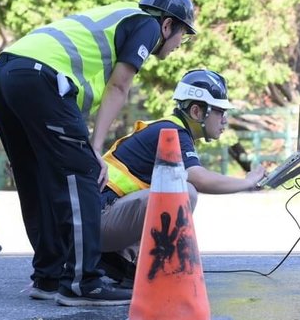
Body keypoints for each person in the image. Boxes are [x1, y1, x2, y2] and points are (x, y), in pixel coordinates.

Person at [0, 0, 196, 306]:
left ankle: (49, 276)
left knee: (36, 177)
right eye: (182, 33)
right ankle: (84, 281)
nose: (180, 43)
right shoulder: (147, 24)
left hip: (6, 71)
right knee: (83, 172)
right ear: (167, 24)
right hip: (41, 76)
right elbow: (119, 86)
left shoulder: (117, 14)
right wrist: (94, 150)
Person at [98, 69, 266, 285]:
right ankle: (150, 266)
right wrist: (247, 182)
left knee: (173, 190)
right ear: (197, 111)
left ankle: (118, 261)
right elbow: (198, 178)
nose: (224, 120)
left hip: (100, 220)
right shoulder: (173, 131)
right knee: (185, 192)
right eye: (220, 111)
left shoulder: (170, 128)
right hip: (100, 221)